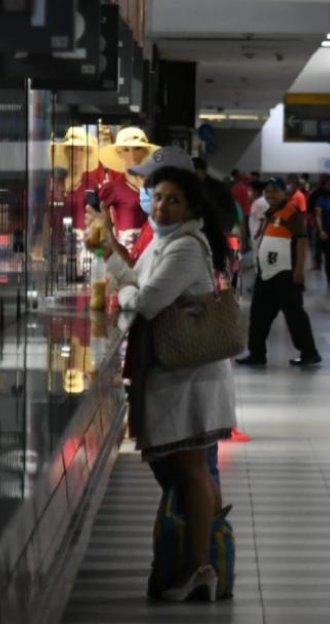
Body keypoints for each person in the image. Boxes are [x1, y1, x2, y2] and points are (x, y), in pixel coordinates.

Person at [91, 166, 236, 601]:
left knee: (190, 470)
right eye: (157, 197)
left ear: (190, 205)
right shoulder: (166, 242)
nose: (162, 206)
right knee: (181, 469)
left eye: (174, 199)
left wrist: (127, 296)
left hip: (189, 377)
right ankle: (199, 556)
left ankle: (198, 566)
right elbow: (136, 279)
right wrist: (113, 258)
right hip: (175, 374)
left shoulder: (187, 248)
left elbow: (148, 301)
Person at [237, 178, 321, 368]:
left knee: (294, 315)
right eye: (267, 191)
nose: (270, 195)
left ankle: (309, 353)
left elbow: (301, 241)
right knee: (258, 315)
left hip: (286, 274)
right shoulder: (271, 212)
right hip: (267, 274)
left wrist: (299, 270)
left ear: (284, 193)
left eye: (275, 191)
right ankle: (256, 354)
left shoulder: (292, 212)